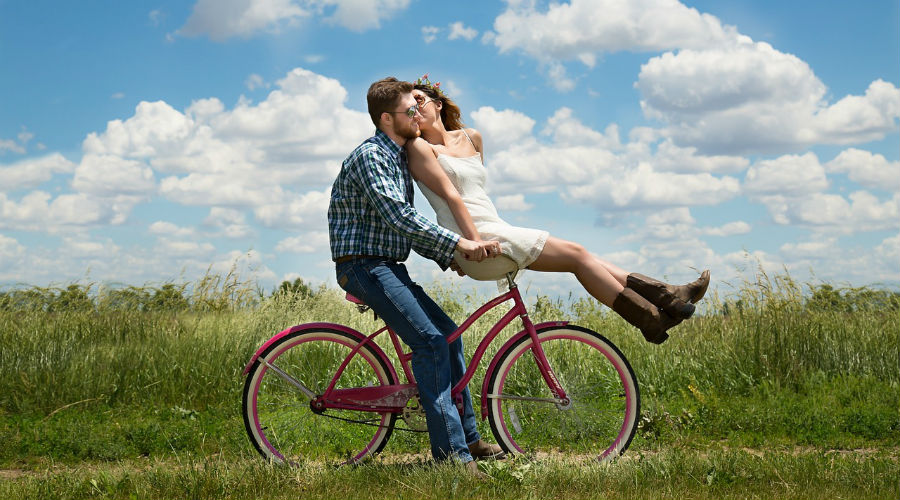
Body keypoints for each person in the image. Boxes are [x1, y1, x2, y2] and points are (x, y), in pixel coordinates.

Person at [405, 75, 710, 344]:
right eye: (408, 107)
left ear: (438, 103)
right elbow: (452, 199)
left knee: (583, 256)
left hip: (493, 227)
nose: (415, 108)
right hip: (476, 239)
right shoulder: (421, 149)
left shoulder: (472, 138)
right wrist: (468, 244)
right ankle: (655, 312)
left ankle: (663, 302)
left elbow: (477, 195)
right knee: (578, 256)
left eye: (419, 100)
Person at [327, 77, 504, 477]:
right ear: (388, 118)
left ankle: (470, 440)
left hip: (387, 264)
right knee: (430, 343)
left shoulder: (398, 157)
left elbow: (403, 230)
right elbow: (399, 217)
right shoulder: (373, 156)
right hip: (363, 266)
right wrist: (460, 243)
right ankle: (452, 458)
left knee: (449, 335)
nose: (418, 116)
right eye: (411, 110)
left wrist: (451, 256)